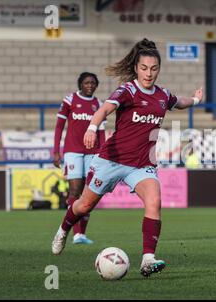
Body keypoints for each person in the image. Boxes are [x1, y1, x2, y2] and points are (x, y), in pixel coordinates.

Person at [51, 39, 204, 278]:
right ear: (136, 68)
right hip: (112, 160)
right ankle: (63, 229)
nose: (149, 73)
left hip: (142, 165)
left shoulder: (162, 95)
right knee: (84, 205)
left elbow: (179, 102)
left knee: (155, 201)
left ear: (159, 69)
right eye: (144, 68)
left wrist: (195, 100)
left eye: (154, 68)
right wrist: (92, 127)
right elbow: (104, 110)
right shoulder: (127, 90)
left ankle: (147, 259)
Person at [53, 72, 106, 244]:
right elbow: (59, 126)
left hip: (92, 152)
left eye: (93, 83)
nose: (90, 85)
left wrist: (103, 152)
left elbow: (102, 132)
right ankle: (74, 232)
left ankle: (81, 234)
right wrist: (56, 150)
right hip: (73, 151)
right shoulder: (70, 100)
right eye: (86, 82)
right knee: (75, 190)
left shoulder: (99, 104)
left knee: (87, 192)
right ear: (80, 84)